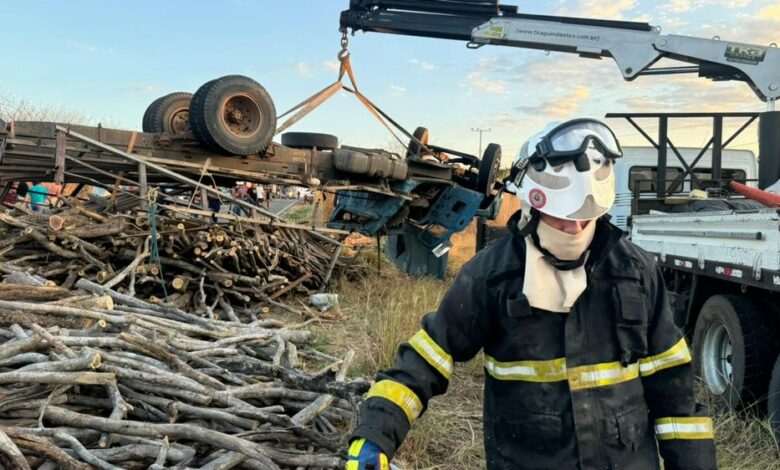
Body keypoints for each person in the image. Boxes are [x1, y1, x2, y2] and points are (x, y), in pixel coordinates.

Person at [347, 119, 717, 470]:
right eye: (561, 217)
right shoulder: (491, 276)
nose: (573, 228)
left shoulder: (634, 271)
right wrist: (376, 434)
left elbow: (674, 390)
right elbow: (427, 358)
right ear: (534, 205)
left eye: (583, 218)